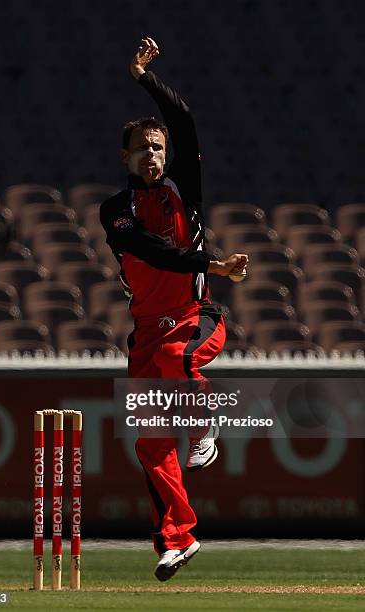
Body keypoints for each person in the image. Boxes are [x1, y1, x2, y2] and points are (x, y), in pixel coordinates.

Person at [100, 37, 248, 581]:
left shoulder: (186, 186)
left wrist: (144, 77)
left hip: (196, 318)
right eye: (142, 148)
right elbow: (150, 250)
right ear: (126, 157)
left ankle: (206, 427)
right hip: (145, 334)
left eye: (158, 147)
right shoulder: (115, 210)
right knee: (150, 442)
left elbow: (182, 120)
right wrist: (213, 259)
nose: (154, 154)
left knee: (177, 358)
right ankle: (177, 539)